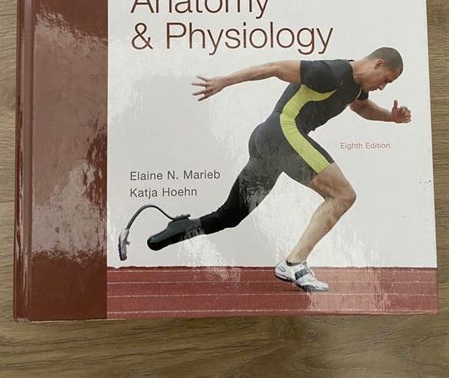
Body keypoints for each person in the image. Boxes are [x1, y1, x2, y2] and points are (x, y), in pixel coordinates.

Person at [147, 48, 411, 292]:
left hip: (268, 141)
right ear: (378, 63)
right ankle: (294, 263)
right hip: (282, 133)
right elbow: (274, 67)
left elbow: (361, 107)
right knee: (343, 195)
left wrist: (390, 117)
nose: (382, 87)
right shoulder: (332, 72)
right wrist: (224, 81)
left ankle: (182, 227)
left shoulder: (356, 86)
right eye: (386, 80)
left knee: (229, 216)